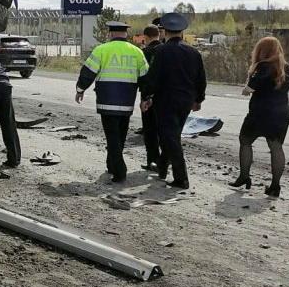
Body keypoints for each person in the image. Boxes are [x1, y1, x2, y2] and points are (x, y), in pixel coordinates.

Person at [75, 21, 148, 182]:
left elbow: (88, 73)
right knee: (120, 136)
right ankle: (111, 165)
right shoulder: (137, 52)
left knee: (112, 137)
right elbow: (145, 78)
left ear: (111, 34)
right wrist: (146, 98)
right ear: (126, 34)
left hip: (107, 102)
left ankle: (120, 170)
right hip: (127, 102)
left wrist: (80, 89)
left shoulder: (102, 50)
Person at [140, 12, 206, 190]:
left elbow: (154, 77)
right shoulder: (194, 52)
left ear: (165, 32)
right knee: (173, 135)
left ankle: (181, 178)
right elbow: (201, 78)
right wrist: (198, 99)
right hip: (186, 101)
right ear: (182, 32)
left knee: (169, 137)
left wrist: (146, 96)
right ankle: (162, 167)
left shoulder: (161, 51)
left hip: (166, 100)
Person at [229, 36, 289, 198]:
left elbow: (249, 89)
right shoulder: (286, 67)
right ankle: (275, 186)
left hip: (260, 112)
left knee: (245, 141)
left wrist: (246, 88)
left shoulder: (263, 66)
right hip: (281, 113)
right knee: (276, 148)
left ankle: (244, 176)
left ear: (261, 51)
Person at [139, 20, 163, 170]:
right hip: (165, 96)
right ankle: (164, 161)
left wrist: (145, 97)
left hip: (149, 95)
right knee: (163, 129)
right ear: (159, 35)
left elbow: (143, 76)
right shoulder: (165, 50)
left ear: (146, 37)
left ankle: (152, 160)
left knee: (149, 129)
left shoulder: (145, 53)